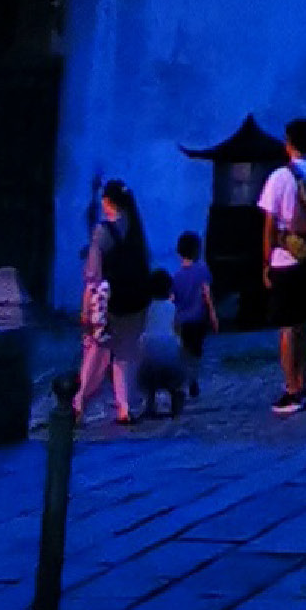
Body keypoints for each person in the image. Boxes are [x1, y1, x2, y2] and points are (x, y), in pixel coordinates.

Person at [256, 117, 306, 416]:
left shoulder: (280, 176)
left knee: (286, 328)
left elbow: (268, 222)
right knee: (302, 326)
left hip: (286, 258)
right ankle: (303, 382)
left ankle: (290, 389)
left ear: (287, 142)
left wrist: (266, 261)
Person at [76, 179, 153, 426]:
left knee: (96, 355)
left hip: (109, 303)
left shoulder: (103, 231)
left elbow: (93, 275)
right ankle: (125, 406)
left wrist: (85, 308)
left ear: (107, 202)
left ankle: (78, 406)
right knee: (126, 355)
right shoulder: (136, 229)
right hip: (135, 301)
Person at [161, 230, 217, 414]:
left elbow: (172, 299)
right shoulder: (202, 270)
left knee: (184, 352)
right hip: (198, 319)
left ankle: (184, 382)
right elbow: (207, 294)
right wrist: (213, 315)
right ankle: (192, 379)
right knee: (196, 353)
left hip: (182, 321)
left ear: (179, 253)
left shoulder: (176, 276)